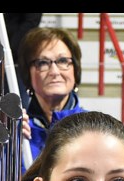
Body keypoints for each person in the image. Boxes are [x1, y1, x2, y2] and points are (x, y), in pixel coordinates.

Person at [18, 26, 85, 160]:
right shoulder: (17, 130)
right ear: (28, 74)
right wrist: (7, 148)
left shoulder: (96, 128)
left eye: (63, 61)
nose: (54, 72)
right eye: (42, 63)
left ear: (75, 70)